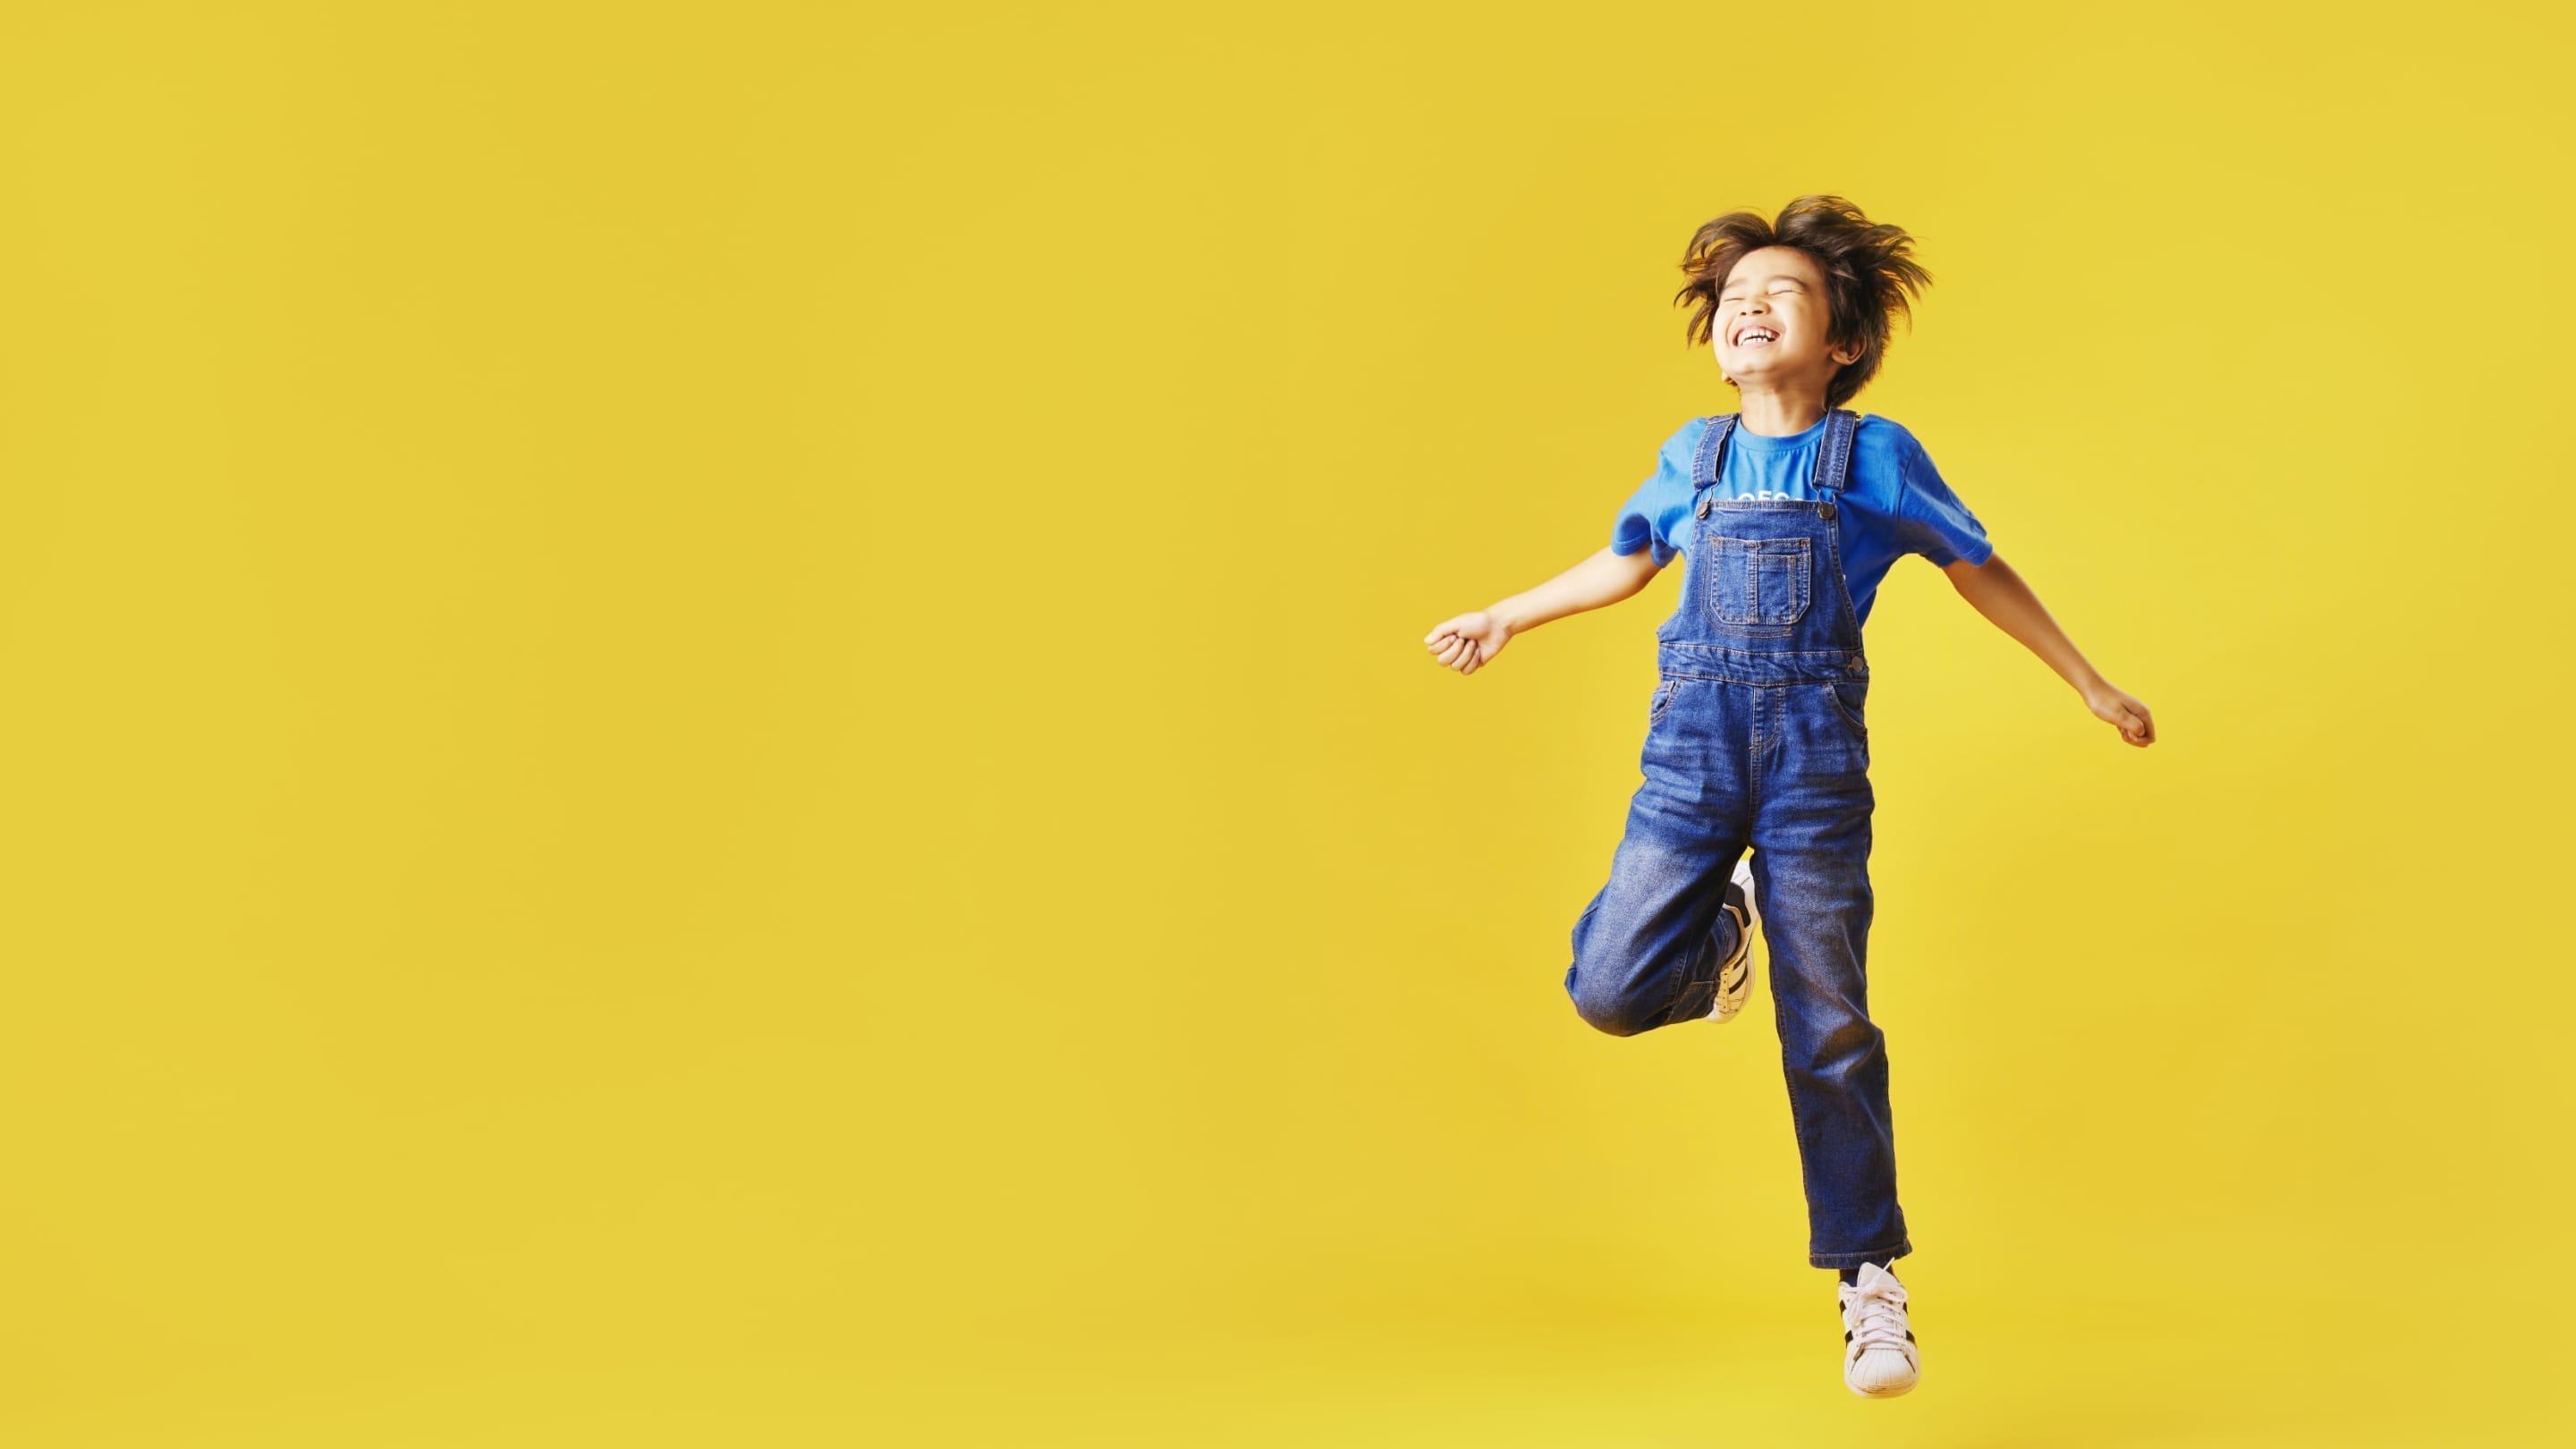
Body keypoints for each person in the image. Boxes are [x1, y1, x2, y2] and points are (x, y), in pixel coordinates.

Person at [1420, 196, 2155, 1399]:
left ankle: (1869, 1280)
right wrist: (1507, 614)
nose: (1750, 308)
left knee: (1831, 1026)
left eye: (1784, 294)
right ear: (1716, 337)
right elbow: (1628, 560)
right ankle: (1723, 938)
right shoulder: (1691, 455)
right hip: (1691, 763)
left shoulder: (1877, 458)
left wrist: (2088, 680)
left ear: (1843, 341)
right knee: (1606, 989)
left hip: (1814, 778)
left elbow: (1978, 567)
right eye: (1732, 297)